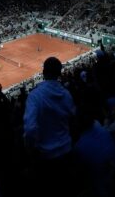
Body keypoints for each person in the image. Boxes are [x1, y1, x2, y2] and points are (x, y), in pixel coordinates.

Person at [23, 57, 76, 194]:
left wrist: (31, 150)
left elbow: (30, 129)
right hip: (68, 152)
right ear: (59, 73)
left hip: (46, 158)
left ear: (43, 72)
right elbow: (72, 117)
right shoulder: (67, 94)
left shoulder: (35, 96)